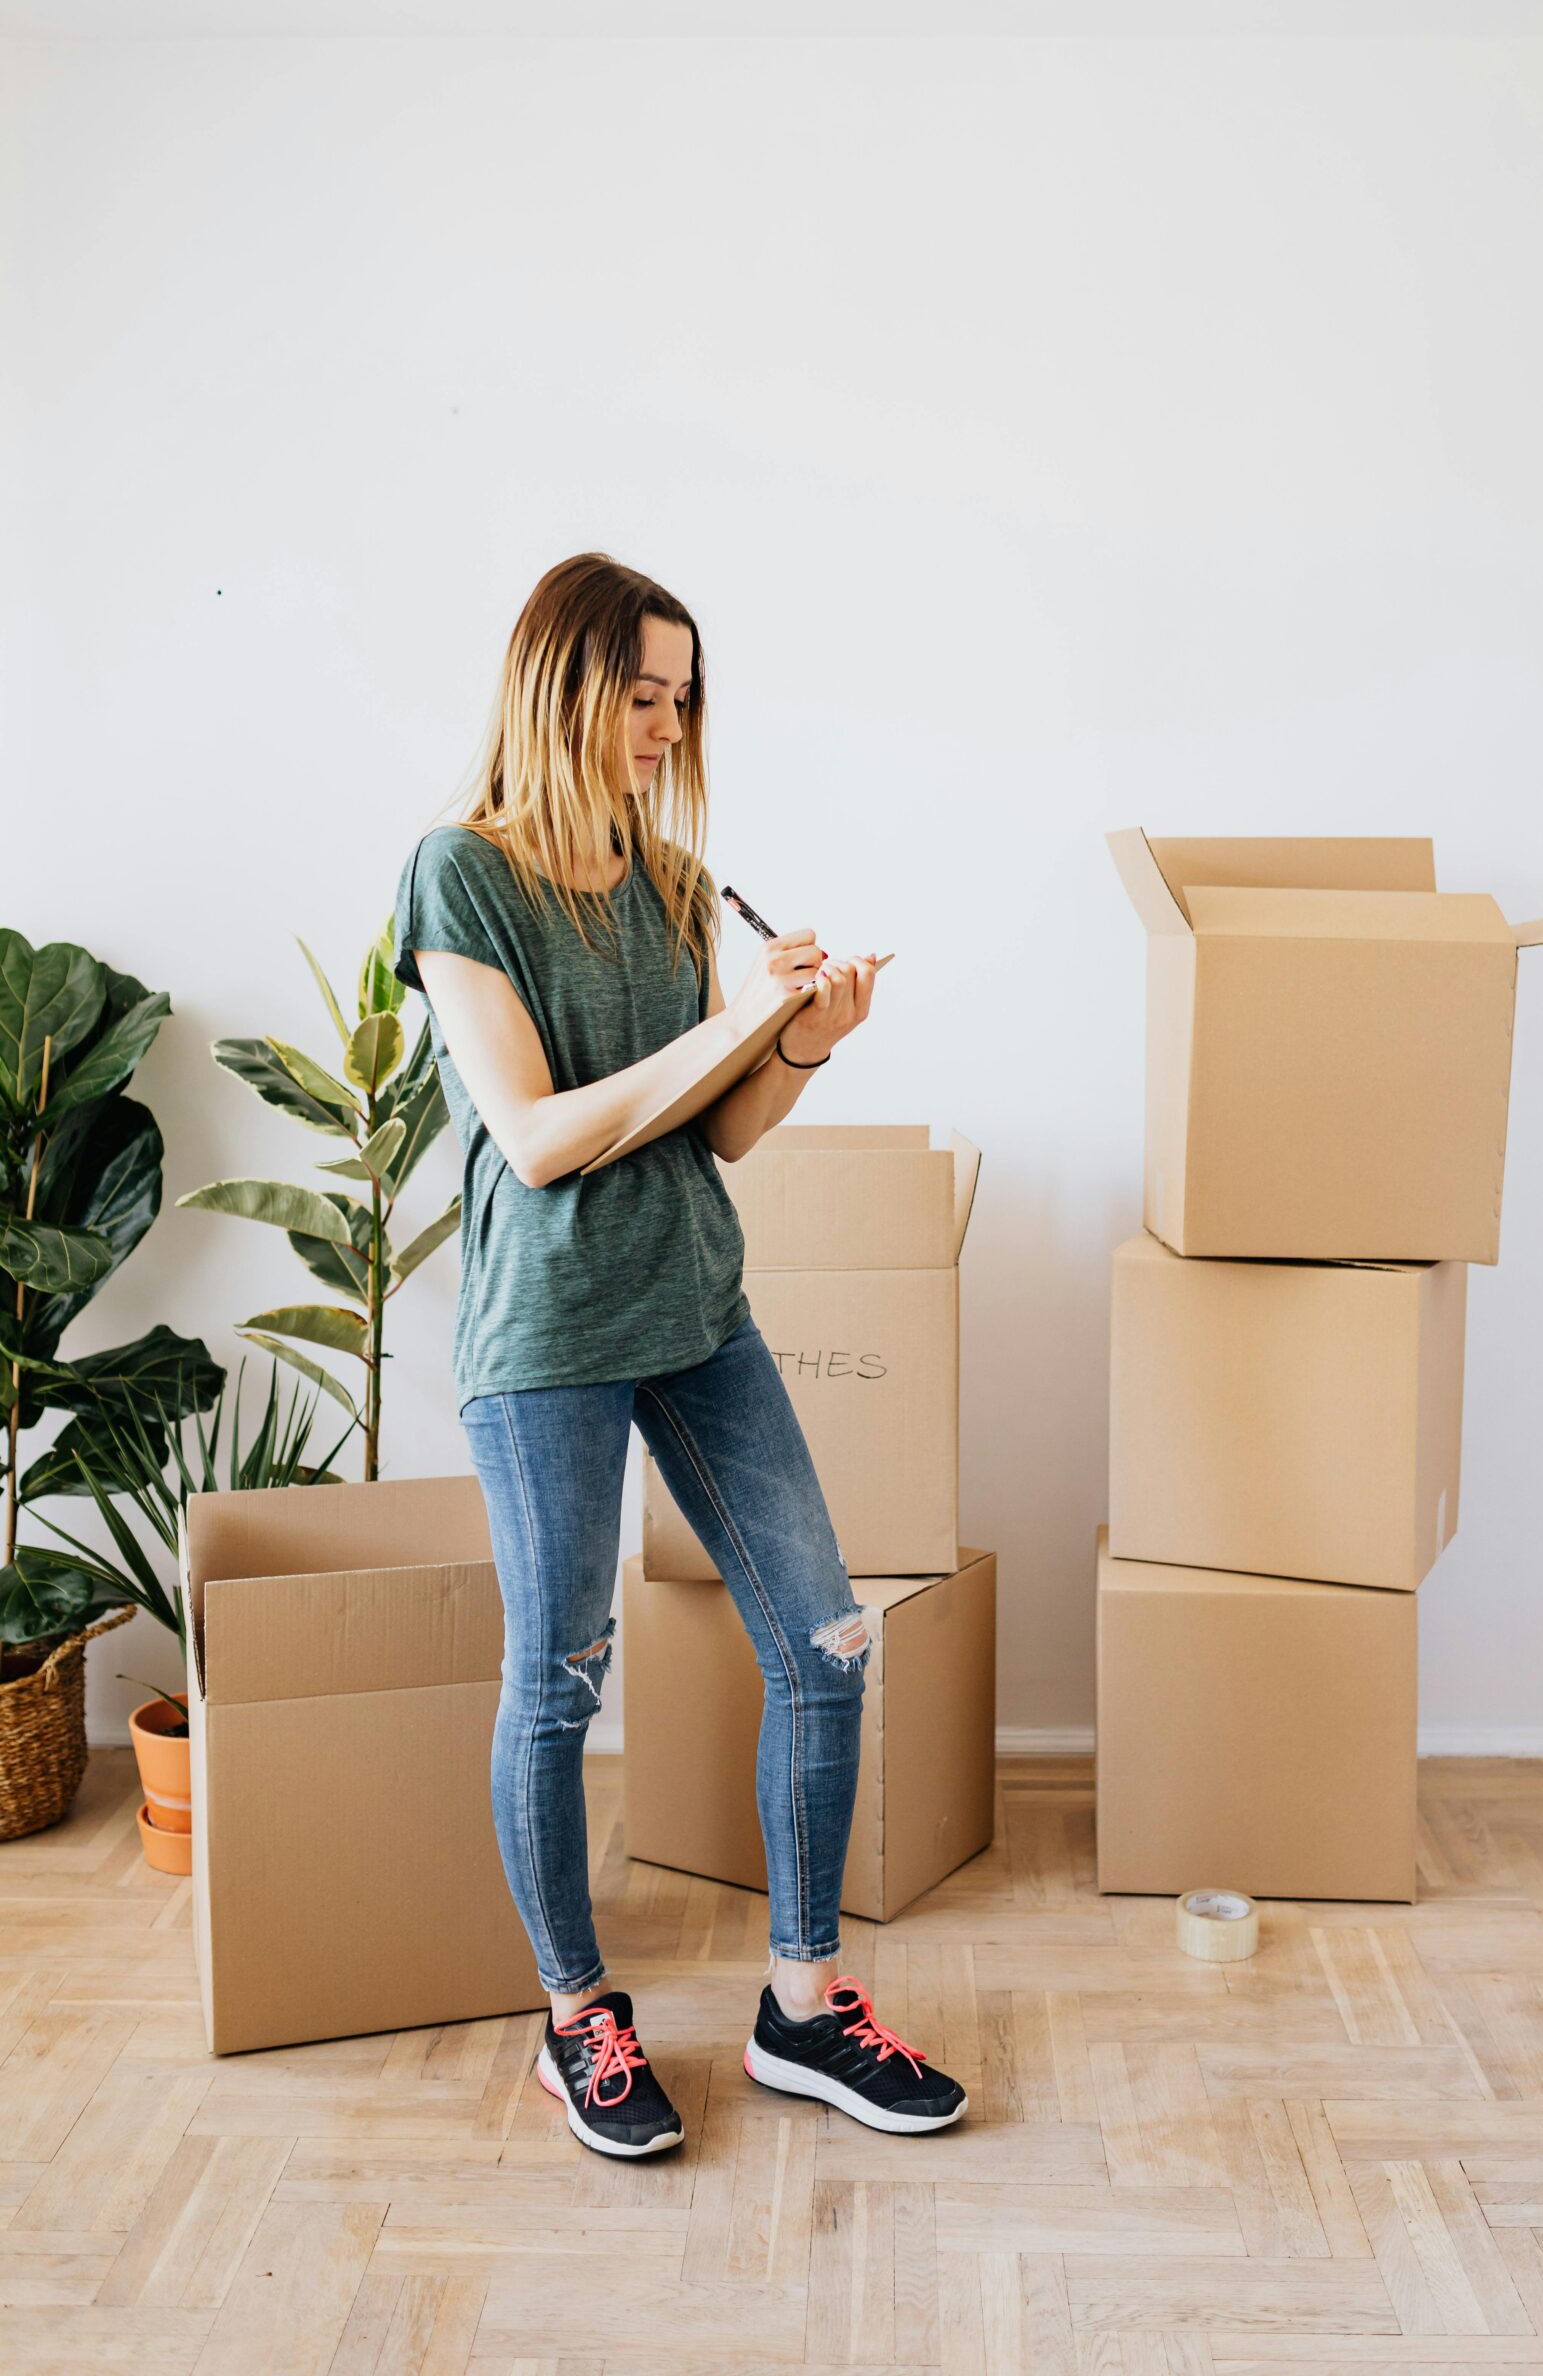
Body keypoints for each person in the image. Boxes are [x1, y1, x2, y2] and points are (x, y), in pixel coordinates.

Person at [392, 552, 967, 2158]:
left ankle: (801, 2010)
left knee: (829, 1642)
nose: (665, 726)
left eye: (682, 698)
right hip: (550, 1341)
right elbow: (543, 1136)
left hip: (694, 1311)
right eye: (642, 696)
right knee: (561, 1684)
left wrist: (797, 1044)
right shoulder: (459, 873)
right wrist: (736, 1023)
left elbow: (712, 1134)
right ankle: (579, 2021)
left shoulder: (670, 873)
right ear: (563, 689)